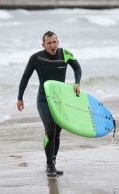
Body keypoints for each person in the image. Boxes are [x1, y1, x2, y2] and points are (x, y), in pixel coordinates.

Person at [17, 31, 82, 177]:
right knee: (50, 129)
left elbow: (77, 68)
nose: (52, 45)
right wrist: (20, 97)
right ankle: (49, 166)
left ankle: (52, 162)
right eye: (49, 43)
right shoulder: (36, 58)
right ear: (43, 45)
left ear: (58, 42)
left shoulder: (65, 54)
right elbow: (25, 77)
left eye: (54, 42)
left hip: (59, 100)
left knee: (57, 133)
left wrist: (77, 83)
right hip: (43, 100)